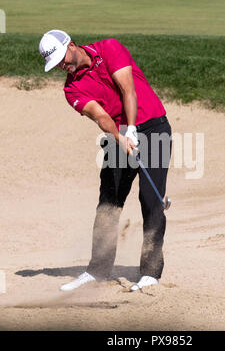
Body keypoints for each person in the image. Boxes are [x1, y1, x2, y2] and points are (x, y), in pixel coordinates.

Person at [39, 29, 172, 292]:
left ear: (72, 45)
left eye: (62, 59)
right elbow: (100, 116)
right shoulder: (71, 89)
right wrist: (120, 136)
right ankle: (97, 270)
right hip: (116, 136)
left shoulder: (109, 48)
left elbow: (128, 90)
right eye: (56, 65)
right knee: (108, 203)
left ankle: (150, 273)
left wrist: (131, 128)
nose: (62, 66)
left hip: (153, 128)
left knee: (150, 200)